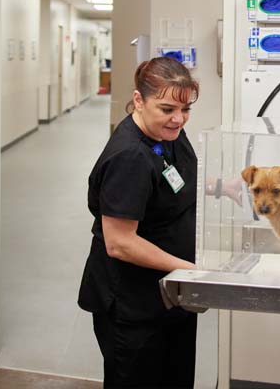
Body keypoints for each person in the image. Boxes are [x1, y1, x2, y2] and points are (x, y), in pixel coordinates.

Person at [78, 57, 202, 388]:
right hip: (134, 304)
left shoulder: (169, 134)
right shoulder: (129, 156)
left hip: (169, 293)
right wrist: (191, 271)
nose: (178, 119)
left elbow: (175, 181)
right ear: (138, 101)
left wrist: (223, 187)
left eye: (185, 109)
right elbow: (120, 243)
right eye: (166, 109)